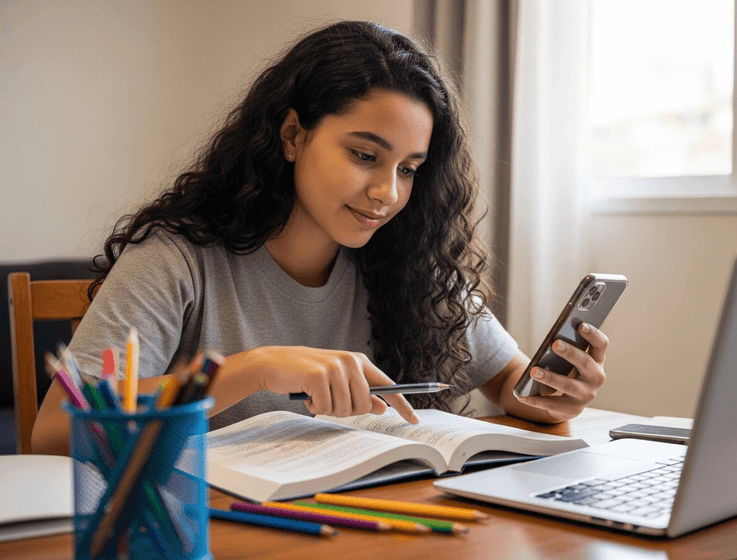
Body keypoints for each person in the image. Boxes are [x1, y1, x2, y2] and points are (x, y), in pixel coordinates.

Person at [32, 20, 609, 455]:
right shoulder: (176, 256)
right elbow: (58, 430)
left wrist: (551, 391)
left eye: (408, 168)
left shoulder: (408, 258)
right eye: (364, 155)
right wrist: (254, 370)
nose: (387, 192)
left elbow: (511, 383)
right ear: (291, 134)